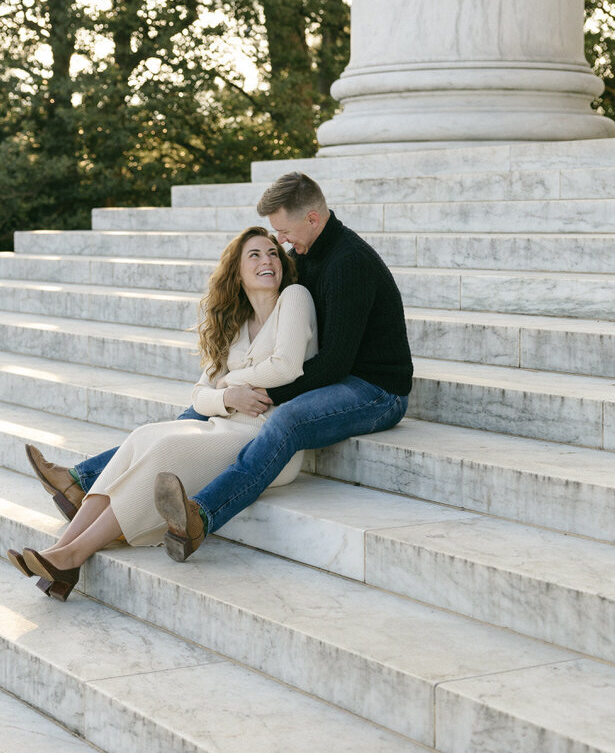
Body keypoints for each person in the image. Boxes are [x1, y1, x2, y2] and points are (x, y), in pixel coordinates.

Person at [26, 172, 413, 566]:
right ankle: (81, 483)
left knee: (289, 420)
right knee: (177, 424)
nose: (280, 244)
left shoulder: (349, 262)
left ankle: (202, 514)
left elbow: (332, 364)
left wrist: (249, 395)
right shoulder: (303, 256)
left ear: (312, 219)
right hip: (328, 373)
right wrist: (226, 396)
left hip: (375, 388)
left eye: (284, 232)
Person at [7, 226, 317, 598]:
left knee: (166, 448)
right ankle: (60, 552)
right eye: (255, 255)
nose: (267, 260)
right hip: (223, 426)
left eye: (272, 253)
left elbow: (286, 367)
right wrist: (227, 397)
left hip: (266, 439)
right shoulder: (236, 325)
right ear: (237, 272)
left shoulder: (294, 298)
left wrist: (227, 385)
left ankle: (72, 556)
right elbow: (199, 394)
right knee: (144, 436)